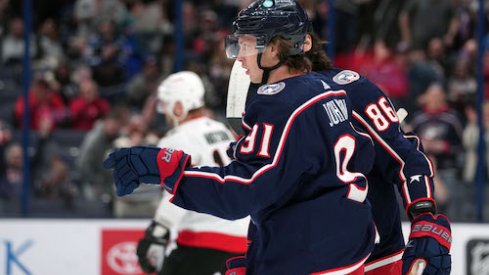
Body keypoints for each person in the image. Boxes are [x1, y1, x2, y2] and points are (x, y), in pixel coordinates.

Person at [104, 1, 378, 274]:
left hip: (308, 259)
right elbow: (348, 161)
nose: (239, 56)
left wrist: (165, 169)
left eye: (246, 45)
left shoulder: (281, 103)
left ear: (274, 49)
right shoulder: (329, 91)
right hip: (345, 251)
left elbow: (244, 190)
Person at [301, 33, 452, 274]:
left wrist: (422, 213)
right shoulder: (265, 105)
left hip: (372, 256)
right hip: (302, 253)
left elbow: (405, 156)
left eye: (263, 43)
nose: (244, 56)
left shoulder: (349, 88)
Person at [135, 71, 249, 275]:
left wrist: (158, 231)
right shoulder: (221, 129)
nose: (166, 112)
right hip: (243, 239)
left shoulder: (175, 139)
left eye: (167, 105)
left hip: (204, 240)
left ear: (179, 106)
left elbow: (179, 189)